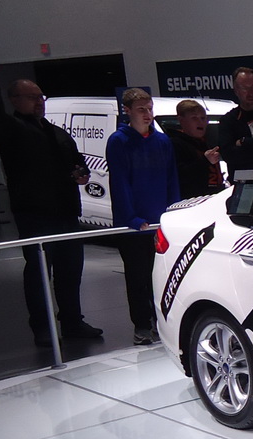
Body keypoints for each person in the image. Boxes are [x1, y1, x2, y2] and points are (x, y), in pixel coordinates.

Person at [0, 58, 103, 346]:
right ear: (15, 100)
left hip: (66, 212)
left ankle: (72, 321)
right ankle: (43, 327)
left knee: (70, 271)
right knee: (40, 273)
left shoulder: (56, 132)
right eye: (31, 97)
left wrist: (81, 173)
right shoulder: (12, 130)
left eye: (40, 96)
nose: (39, 102)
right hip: (35, 214)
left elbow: (77, 161)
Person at [106, 88, 179, 345]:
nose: (147, 114)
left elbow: (171, 179)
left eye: (149, 109)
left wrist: (174, 210)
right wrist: (131, 218)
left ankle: (161, 322)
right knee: (137, 276)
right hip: (134, 224)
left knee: (160, 276)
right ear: (127, 111)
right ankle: (142, 325)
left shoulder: (162, 141)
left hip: (160, 221)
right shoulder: (119, 141)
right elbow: (120, 183)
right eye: (141, 110)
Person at [168, 99, 224, 198]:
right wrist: (205, 161)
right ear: (181, 120)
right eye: (194, 118)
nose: (200, 122)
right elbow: (180, 176)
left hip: (214, 198)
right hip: (191, 201)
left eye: (203, 118)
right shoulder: (174, 144)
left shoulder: (207, 143)